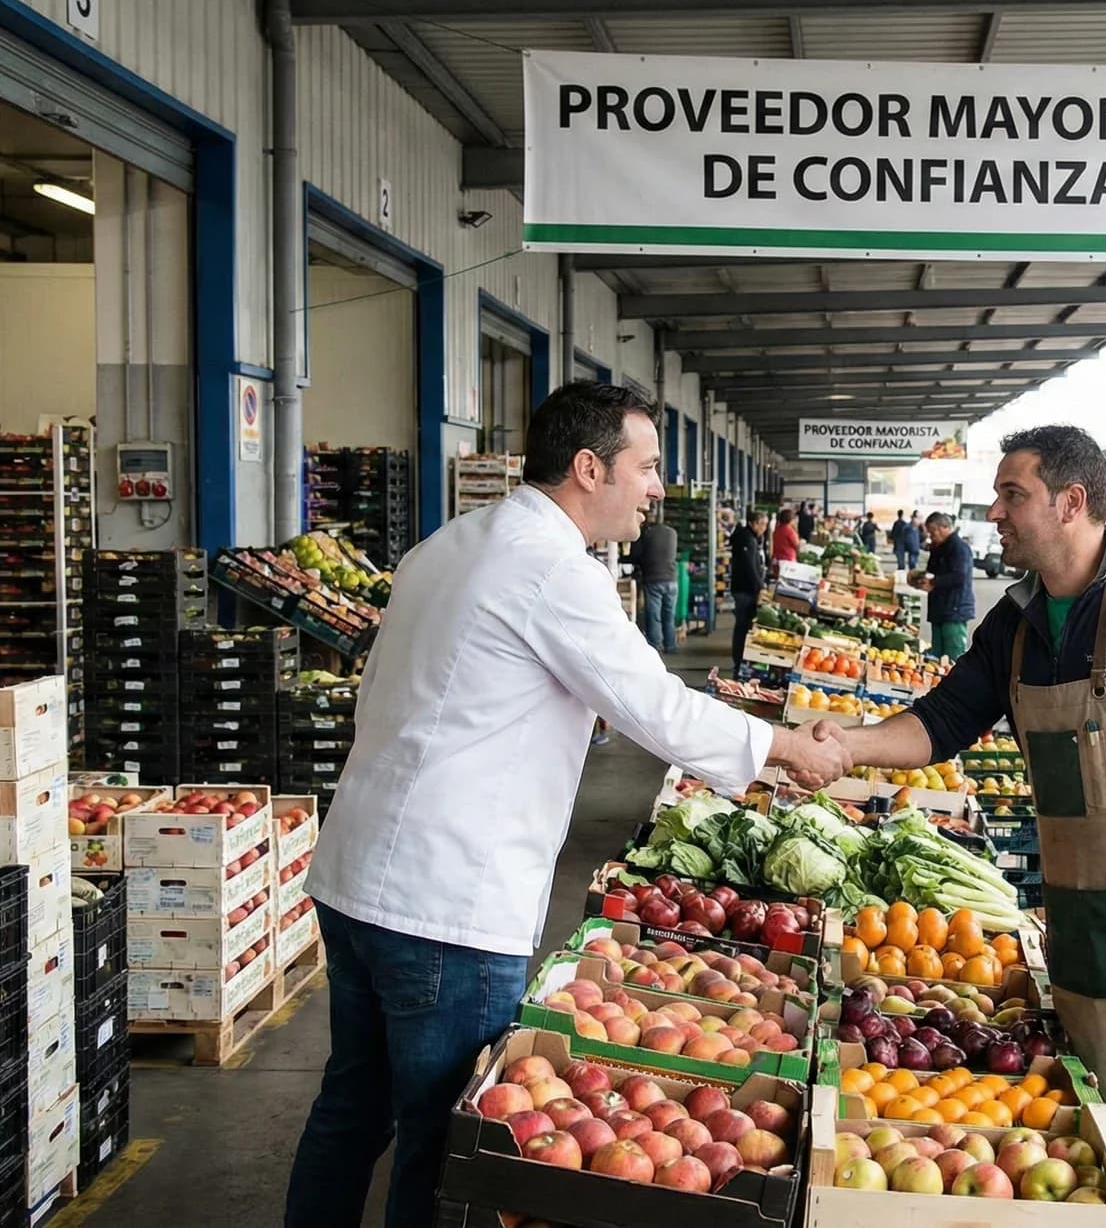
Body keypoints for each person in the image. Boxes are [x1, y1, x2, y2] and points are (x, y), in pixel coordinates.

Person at [288, 383, 849, 1228]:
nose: (656, 488)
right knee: (446, 1138)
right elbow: (657, 708)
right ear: (590, 468)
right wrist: (788, 748)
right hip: (449, 902)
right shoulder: (550, 568)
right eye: (647, 466)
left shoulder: (448, 544)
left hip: (359, 873)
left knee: (352, 1106)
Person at [816, 425, 1106, 1228]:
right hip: (1087, 923)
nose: (995, 512)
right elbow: (941, 722)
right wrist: (842, 746)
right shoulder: (1019, 623)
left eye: (1013, 494)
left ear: (1073, 504)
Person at [917, 512, 975, 659]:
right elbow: (932, 571)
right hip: (939, 608)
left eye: (932, 531)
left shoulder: (959, 548)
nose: (931, 536)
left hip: (954, 609)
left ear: (944, 527)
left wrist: (934, 581)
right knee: (937, 655)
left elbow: (960, 577)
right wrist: (923, 579)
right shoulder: (938, 548)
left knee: (953, 654)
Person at [731, 509, 770, 673]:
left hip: (745, 588)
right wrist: (760, 587)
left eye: (766, 524)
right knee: (742, 626)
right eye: (762, 524)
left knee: (744, 625)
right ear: (753, 523)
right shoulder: (748, 540)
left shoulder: (752, 538)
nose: (765, 528)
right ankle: (738, 661)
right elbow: (750, 567)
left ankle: (739, 660)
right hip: (744, 590)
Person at [636, 513, 678, 654]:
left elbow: (637, 555)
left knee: (654, 616)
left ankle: (655, 646)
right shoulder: (672, 533)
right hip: (672, 580)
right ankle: (671, 646)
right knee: (669, 615)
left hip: (654, 580)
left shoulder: (646, 534)